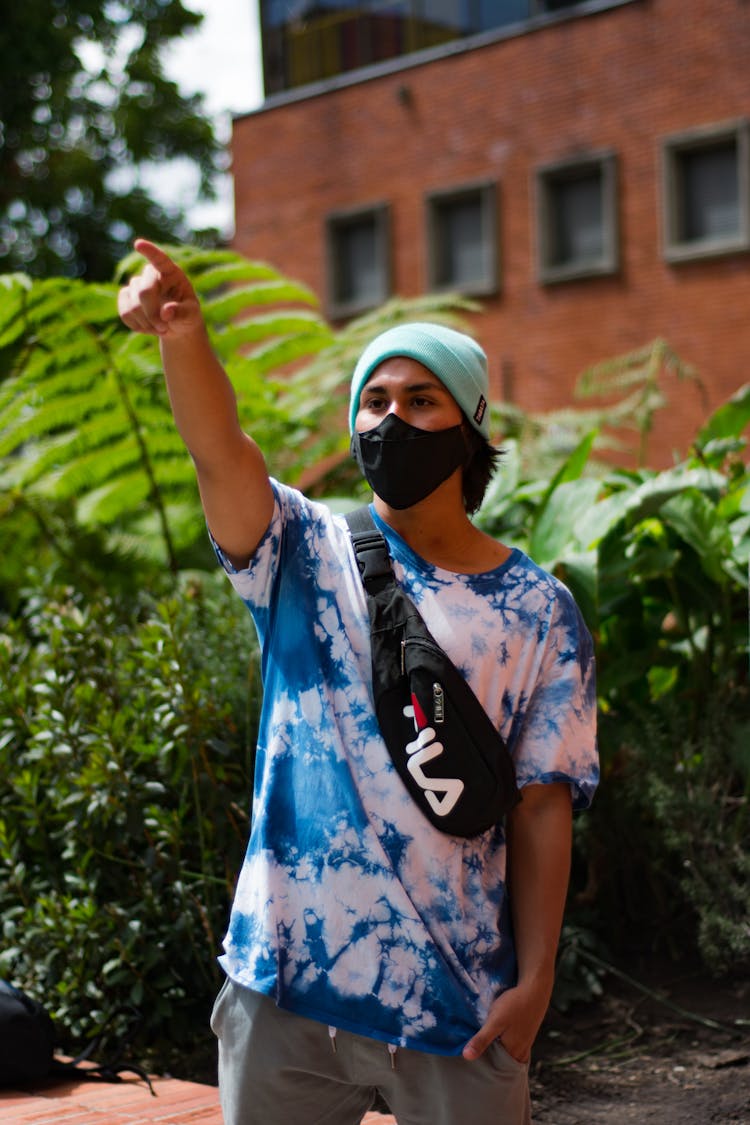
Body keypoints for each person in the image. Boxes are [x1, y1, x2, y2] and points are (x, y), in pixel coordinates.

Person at [118, 240, 599, 1125]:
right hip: (285, 987)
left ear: (469, 424)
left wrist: (535, 983)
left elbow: (541, 803)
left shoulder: (537, 608)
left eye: (421, 400)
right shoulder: (299, 550)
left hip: (459, 1004)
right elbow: (221, 452)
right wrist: (182, 336)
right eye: (373, 401)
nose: (390, 419)